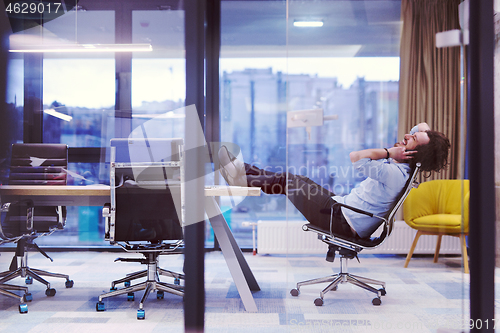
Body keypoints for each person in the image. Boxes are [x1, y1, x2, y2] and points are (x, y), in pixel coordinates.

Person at [218, 123, 451, 239]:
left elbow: (356, 158)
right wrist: (421, 137)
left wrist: (390, 152)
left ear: (415, 154)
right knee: (295, 178)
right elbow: (421, 127)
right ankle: (240, 173)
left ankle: (240, 175)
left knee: (290, 182)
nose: (407, 135)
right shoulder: (404, 170)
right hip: (341, 207)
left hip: (341, 221)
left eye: (412, 139)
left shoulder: (394, 172)